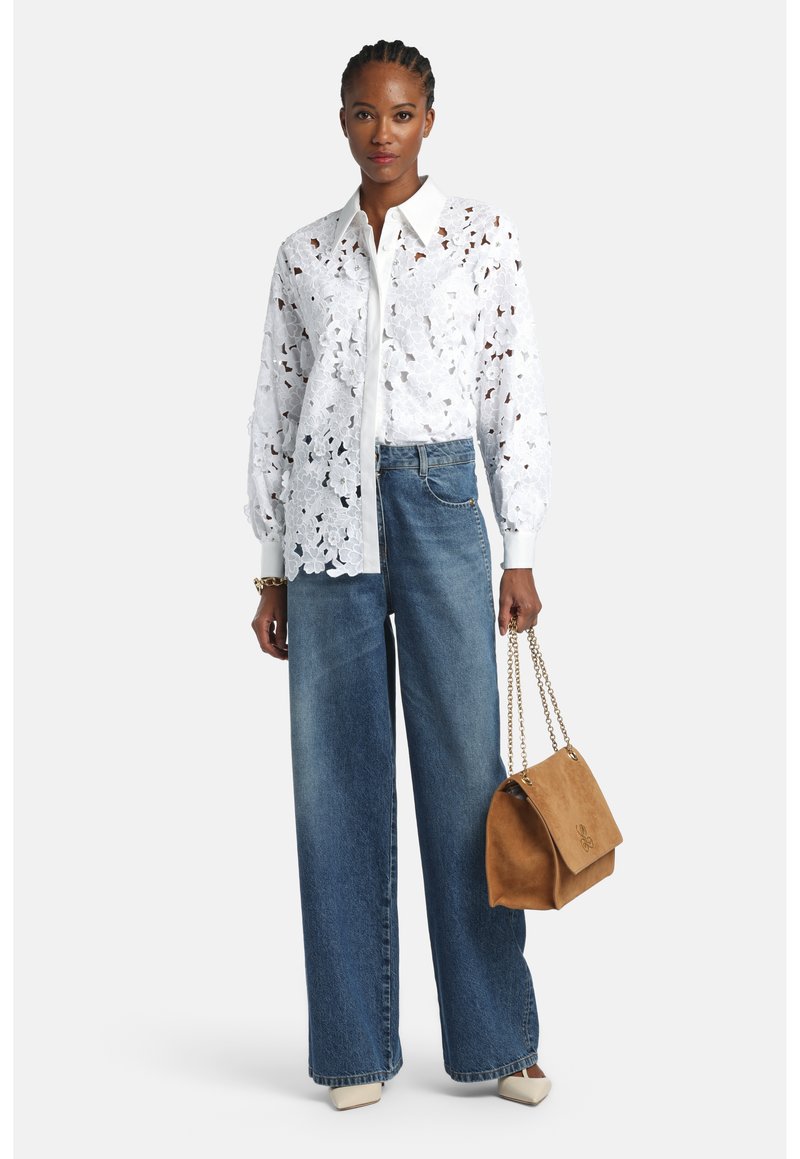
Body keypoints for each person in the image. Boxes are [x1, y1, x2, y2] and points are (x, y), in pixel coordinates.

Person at [244, 38, 553, 1112]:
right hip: (325, 515)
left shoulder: (478, 236)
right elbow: (277, 408)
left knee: (465, 772)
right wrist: (271, 570)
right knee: (333, 780)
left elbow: (511, 386)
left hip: (440, 500)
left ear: (430, 119)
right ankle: (352, 1047)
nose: (384, 133)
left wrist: (519, 543)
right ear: (342, 120)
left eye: (403, 113)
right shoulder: (302, 256)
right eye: (365, 114)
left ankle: (498, 1037)